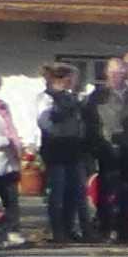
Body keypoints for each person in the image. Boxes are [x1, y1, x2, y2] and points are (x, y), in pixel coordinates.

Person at [90, 54, 128, 240]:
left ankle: (125, 229)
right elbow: (89, 122)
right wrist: (96, 143)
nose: (116, 75)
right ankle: (104, 228)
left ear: (126, 74)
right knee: (105, 189)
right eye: (113, 72)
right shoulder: (97, 96)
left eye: (120, 72)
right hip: (105, 149)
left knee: (127, 188)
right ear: (106, 73)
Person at [36, 64, 94, 244]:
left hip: (74, 150)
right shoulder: (46, 98)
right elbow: (45, 123)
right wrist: (63, 129)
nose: (74, 81)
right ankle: (57, 231)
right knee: (57, 194)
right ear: (61, 78)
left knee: (76, 193)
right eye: (71, 78)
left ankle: (70, 229)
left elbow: (79, 124)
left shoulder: (71, 98)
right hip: (56, 150)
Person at [0, 86, 22, 248]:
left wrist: (16, 146)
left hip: (7, 163)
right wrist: (4, 141)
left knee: (10, 200)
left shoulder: (2, 108)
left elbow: (12, 131)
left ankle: (11, 231)